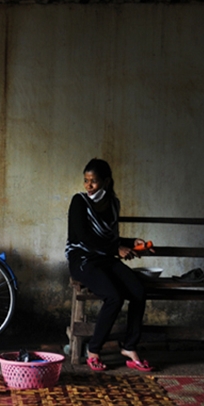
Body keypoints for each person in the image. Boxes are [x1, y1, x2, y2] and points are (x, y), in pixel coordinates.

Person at [66, 159, 152, 372]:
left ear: (106, 181)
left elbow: (111, 237)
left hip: (105, 258)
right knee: (114, 297)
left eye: (93, 181)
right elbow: (85, 237)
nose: (88, 186)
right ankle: (94, 350)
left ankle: (129, 347)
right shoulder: (79, 202)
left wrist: (132, 243)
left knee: (139, 291)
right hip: (83, 259)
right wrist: (116, 249)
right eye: (86, 181)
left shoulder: (113, 204)